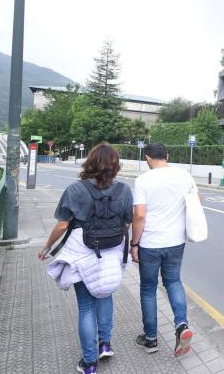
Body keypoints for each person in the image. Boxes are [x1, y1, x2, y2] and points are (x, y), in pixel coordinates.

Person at [38, 143, 133, 374]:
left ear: (89, 162)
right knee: (105, 295)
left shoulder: (75, 189)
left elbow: (63, 225)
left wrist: (47, 247)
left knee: (87, 307)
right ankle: (105, 344)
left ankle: (90, 363)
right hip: (110, 252)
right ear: (116, 165)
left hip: (82, 253)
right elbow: (128, 220)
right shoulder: (124, 190)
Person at [130, 142, 196, 357]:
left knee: (148, 288)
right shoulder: (184, 175)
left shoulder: (142, 180)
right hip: (176, 241)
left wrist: (134, 244)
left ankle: (150, 339)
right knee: (174, 282)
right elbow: (196, 201)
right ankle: (181, 325)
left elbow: (139, 215)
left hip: (150, 244)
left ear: (147, 158)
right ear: (167, 155)